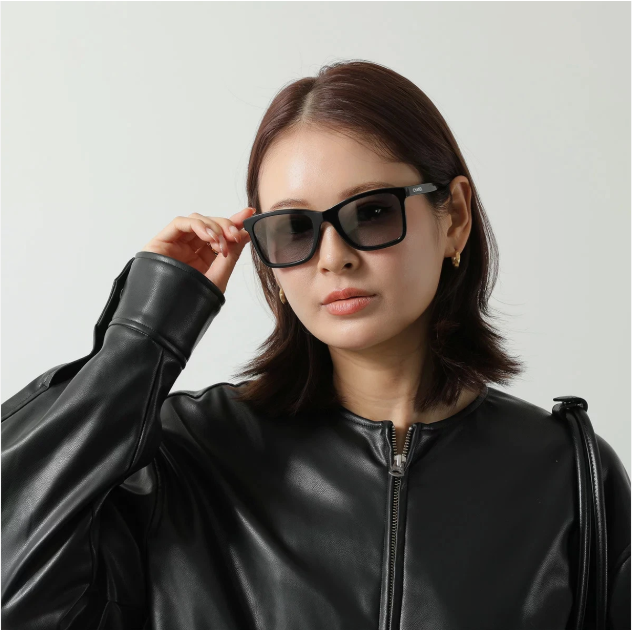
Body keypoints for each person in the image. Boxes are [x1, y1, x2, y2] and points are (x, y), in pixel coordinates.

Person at [2, 60, 630, 630]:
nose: (333, 258)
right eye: (293, 228)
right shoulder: (186, 456)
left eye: (373, 212)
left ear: (455, 218)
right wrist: (143, 339)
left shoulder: (571, 474)